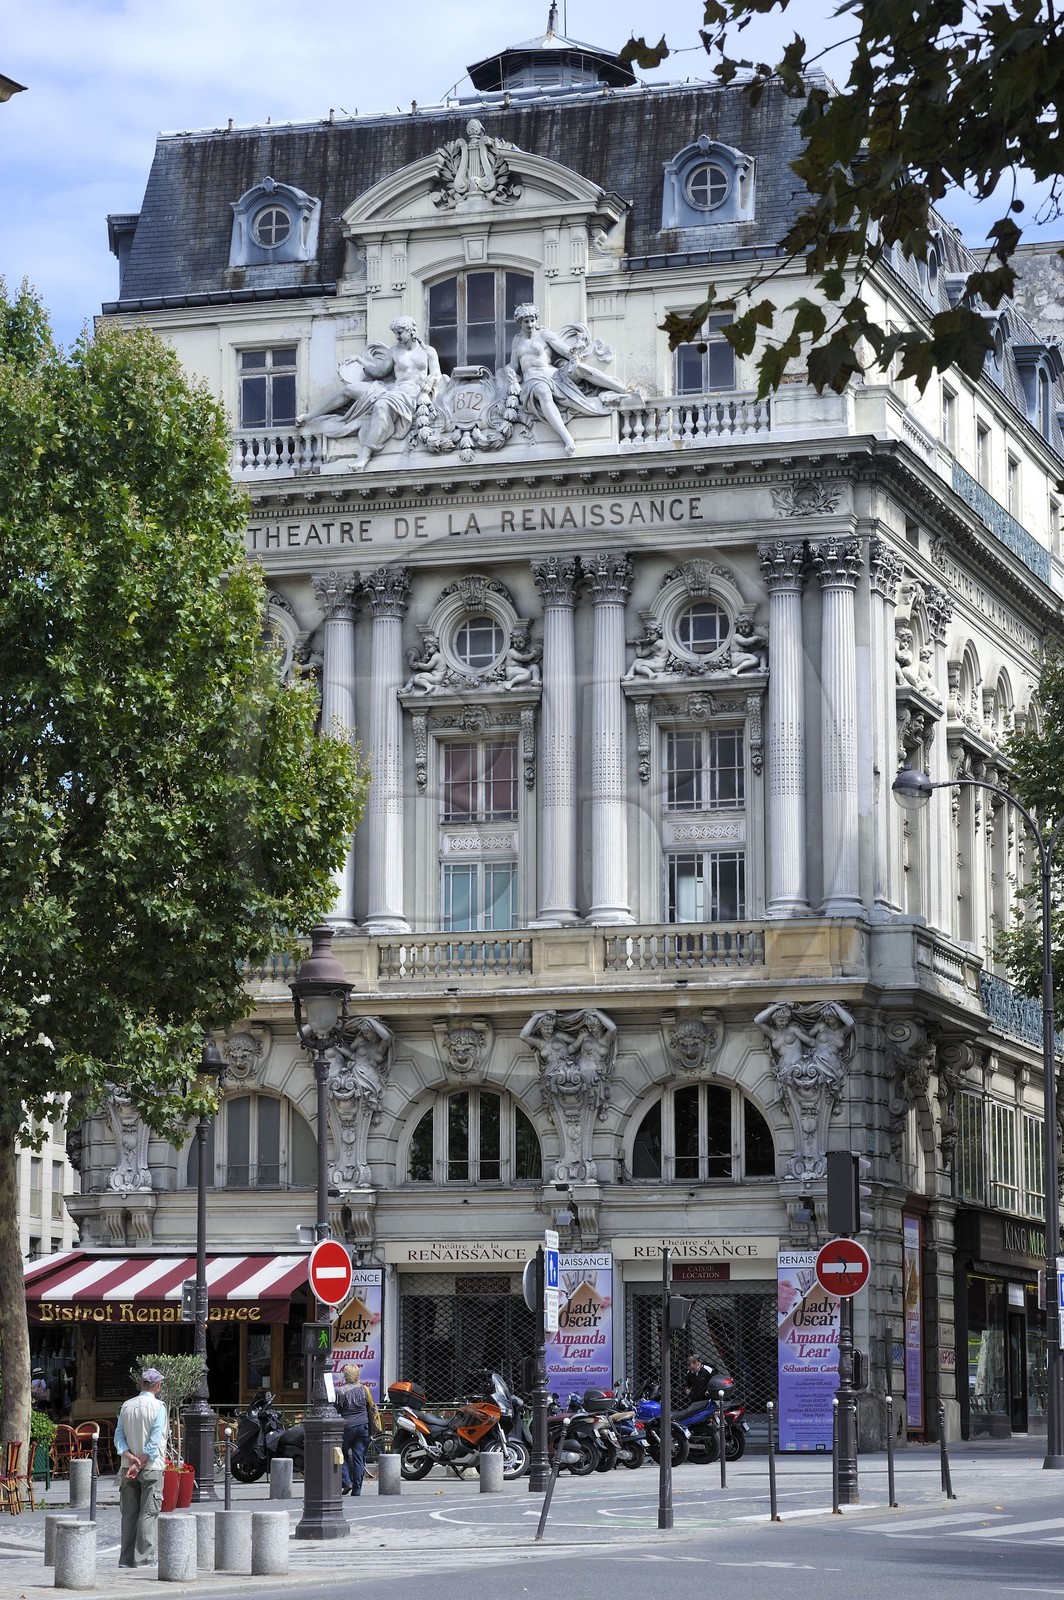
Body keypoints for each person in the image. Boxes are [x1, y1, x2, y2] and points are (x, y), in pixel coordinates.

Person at [114, 1367, 168, 1567]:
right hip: (151, 1467)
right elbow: (155, 1440)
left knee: (129, 1514)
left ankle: (126, 1559)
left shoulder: (126, 1406)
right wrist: (141, 1462)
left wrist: (130, 1457)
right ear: (158, 1385)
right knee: (148, 1512)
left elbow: (118, 1437)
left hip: (126, 1466)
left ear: (141, 1384)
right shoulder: (159, 1407)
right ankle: (144, 1558)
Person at [336, 1362, 372, 1496]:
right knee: (359, 1458)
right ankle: (357, 1490)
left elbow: (336, 1410)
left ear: (345, 1376)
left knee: (338, 1452)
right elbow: (370, 1408)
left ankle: (346, 1481)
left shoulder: (340, 1391)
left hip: (347, 1427)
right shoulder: (365, 1389)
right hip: (363, 1426)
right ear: (357, 1375)